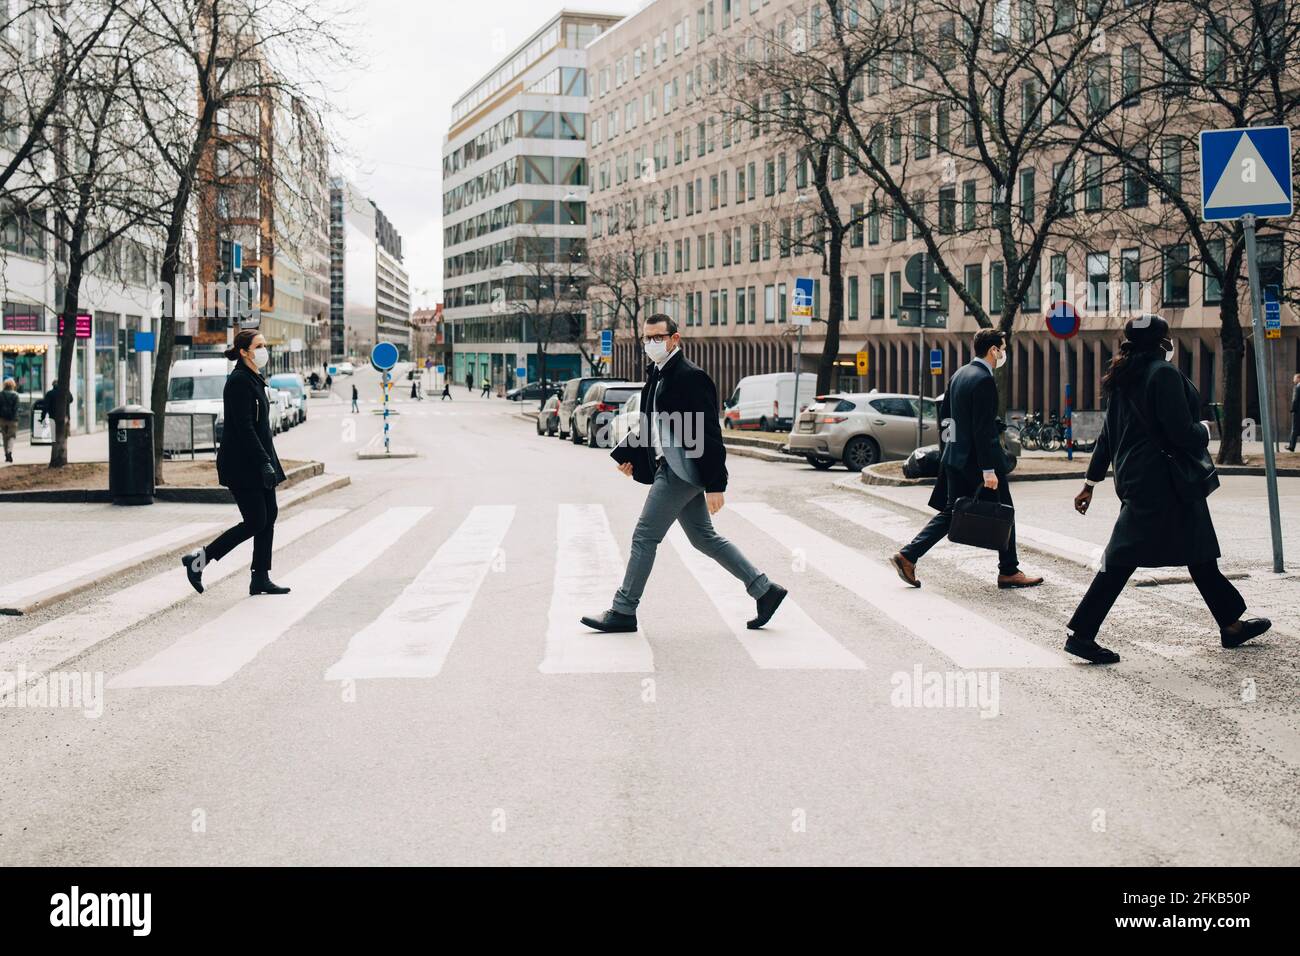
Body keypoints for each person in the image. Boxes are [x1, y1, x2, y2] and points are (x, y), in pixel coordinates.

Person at [1065, 315, 1270, 663]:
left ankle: (1231, 625)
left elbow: (1107, 436)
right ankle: (1082, 633)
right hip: (1163, 482)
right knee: (1120, 559)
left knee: (1198, 549)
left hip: (1141, 479)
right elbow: (1180, 433)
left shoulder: (1121, 377)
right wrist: (1206, 430)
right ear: (1162, 342)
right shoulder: (1163, 374)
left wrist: (1090, 483)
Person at [582, 314, 787, 633]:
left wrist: (716, 484)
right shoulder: (657, 374)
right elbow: (651, 424)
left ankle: (623, 610)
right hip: (672, 466)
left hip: (682, 470)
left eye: (657, 338)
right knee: (703, 538)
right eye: (646, 339)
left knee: (644, 536)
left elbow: (708, 432)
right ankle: (764, 589)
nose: (651, 344)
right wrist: (630, 456)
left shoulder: (691, 377)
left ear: (675, 339)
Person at [890, 328, 1043, 590]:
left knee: (951, 512)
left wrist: (951, 448)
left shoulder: (959, 374)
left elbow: (947, 419)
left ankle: (908, 555)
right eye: (1002, 349)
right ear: (993, 350)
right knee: (1005, 509)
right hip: (978, 461)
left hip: (955, 457)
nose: (1003, 353)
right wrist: (987, 469)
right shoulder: (984, 379)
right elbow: (982, 430)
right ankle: (1009, 571)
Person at [181, 329, 290, 597]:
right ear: (244, 351)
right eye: (260, 345)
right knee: (256, 520)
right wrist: (264, 462)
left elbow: (262, 428)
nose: (265, 350)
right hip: (243, 465)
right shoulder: (239, 381)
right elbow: (244, 428)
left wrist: (270, 463)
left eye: (265, 344)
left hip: (260, 461)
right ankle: (199, 560)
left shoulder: (254, 378)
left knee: (269, 516)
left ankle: (260, 578)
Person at [0, 378, 19, 463]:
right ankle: (9, 451)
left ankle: (6, 454)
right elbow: (16, 408)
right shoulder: (15, 395)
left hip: (2, 419)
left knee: (4, 436)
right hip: (13, 419)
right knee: (12, 436)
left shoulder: (1, 394)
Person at [1288, 373, 1300, 452]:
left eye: (1294, 378)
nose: (1293, 380)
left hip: (1297, 412)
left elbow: (1295, 400)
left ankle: (1292, 446)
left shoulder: (1298, 387)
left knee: (1294, 429)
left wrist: (1292, 409)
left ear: (1299, 378)